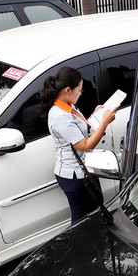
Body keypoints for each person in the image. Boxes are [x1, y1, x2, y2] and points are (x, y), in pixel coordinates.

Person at [41, 67, 117, 224]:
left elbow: (79, 130)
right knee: (82, 219)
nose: (81, 93)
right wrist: (104, 122)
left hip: (83, 169)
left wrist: (95, 116)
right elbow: (84, 145)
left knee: (96, 211)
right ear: (68, 90)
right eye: (80, 90)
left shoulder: (68, 105)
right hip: (74, 176)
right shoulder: (60, 116)